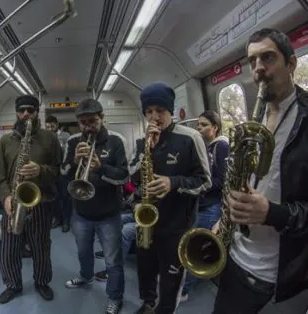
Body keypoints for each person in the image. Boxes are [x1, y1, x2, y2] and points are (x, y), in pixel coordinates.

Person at [212, 28, 308, 313]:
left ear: (291, 64)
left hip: (281, 277)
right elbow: (241, 180)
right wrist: (225, 218)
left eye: (268, 58)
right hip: (235, 258)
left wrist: (271, 213)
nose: (259, 68)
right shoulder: (255, 120)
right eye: (252, 61)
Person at [130, 82, 211, 314]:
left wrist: (172, 183)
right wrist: (148, 149)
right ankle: (148, 303)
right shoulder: (141, 141)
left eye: (160, 111)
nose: (155, 117)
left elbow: (205, 181)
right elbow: (131, 178)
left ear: (170, 111)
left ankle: (165, 310)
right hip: (147, 222)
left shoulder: (190, 137)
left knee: (171, 278)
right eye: (149, 112)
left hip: (177, 225)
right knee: (145, 270)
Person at [63, 99, 129, 314]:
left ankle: (115, 297)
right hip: (81, 212)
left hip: (109, 213)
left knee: (112, 260)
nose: (87, 127)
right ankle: (86, 276)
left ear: (102, 119)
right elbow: (62, 173)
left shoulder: (116, 141)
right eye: (82, 123)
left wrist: (101, 168)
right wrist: (74, 161)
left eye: (92, 121)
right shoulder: (73, 141)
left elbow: (123, 177)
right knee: (83, 252)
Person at [0, 95, 62, 304]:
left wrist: (40, 170)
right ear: (17, 113)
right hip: (12, 204)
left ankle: (42, 281)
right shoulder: (5, 140)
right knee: (9, 248)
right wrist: (5, 197)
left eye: (30, 110)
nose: (26, 114)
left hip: (40, 202)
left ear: (36, 113)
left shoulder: (50, 138)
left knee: (41, 246)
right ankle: (13, 284)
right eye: (22, 110)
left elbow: (58, 171)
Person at [180, 110, 229, 301]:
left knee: (195, 249)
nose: (198, 128)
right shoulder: (206, 148)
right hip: (201, 205)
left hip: (211, 207)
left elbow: (223, 180)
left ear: (215, 128)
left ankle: (185, 290)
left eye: (203, 125)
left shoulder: (221, 146)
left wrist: (199, 186)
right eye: (197, 125)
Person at [94, 178, 139, 282]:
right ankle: (110, 252)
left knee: (125, 232)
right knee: (115, 221)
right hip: (138, 211)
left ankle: (113, 271)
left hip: (155, 218)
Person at [45, 115, 72, 232]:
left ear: (57, 125)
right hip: (51, 172)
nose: (50, 129)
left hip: (63, 171)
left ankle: (66, 220)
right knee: (54, 198)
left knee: (65, 197)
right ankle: (57, 218)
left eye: (52, 126)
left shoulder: (65, 136)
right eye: (47, 127)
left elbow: (68, 153)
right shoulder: (45, 137)